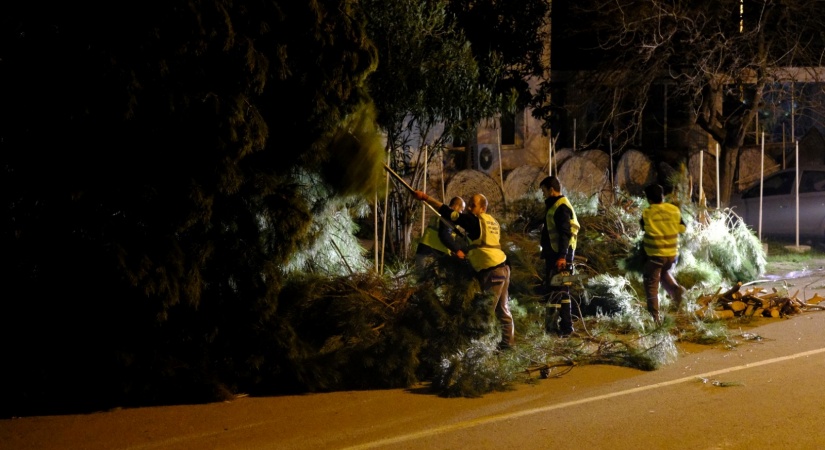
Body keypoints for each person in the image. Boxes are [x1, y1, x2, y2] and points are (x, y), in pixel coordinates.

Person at [412, 190, 514, 350]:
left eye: (472, 205)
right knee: (503, 309)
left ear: (482, 209)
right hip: (502, 267)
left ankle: (480, 349)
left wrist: (426, 198)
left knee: (484, 312)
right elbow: (481, 244)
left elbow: (447, 212)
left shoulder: (474, 221)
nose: (468, 209)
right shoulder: (492, 222)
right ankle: (507, 345)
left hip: (491, 271)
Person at [538, 176, 580, 337]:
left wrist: (562, 256)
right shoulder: (555, 205)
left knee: (562, 290)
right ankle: (555, 326)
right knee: (556, 290)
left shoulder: (561, 207)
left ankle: (566, 327)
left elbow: (565, 234)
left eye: (544, 191)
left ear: (551, 190)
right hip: (555, 254)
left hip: (560, 255)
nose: (543, 194)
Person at [640, 183, 687, 324]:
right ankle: (675, 290)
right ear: (662, 196)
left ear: (648, 199)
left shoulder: (648, 212)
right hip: (672, 255)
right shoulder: (673, 210)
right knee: (664, 273)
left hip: (655, 255)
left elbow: (643, 227)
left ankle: (654, 319)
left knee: (651, 284)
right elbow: (683, 228)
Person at [414, 197, 468, 268]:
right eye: (461, 210)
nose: (461, 213)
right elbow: (444, 235)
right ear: (456, 206)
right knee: (428, 277)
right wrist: (457, 250)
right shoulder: (448, 216)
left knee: (421, 276)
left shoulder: (441, 212)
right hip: (432, 253)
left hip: (425, 249)